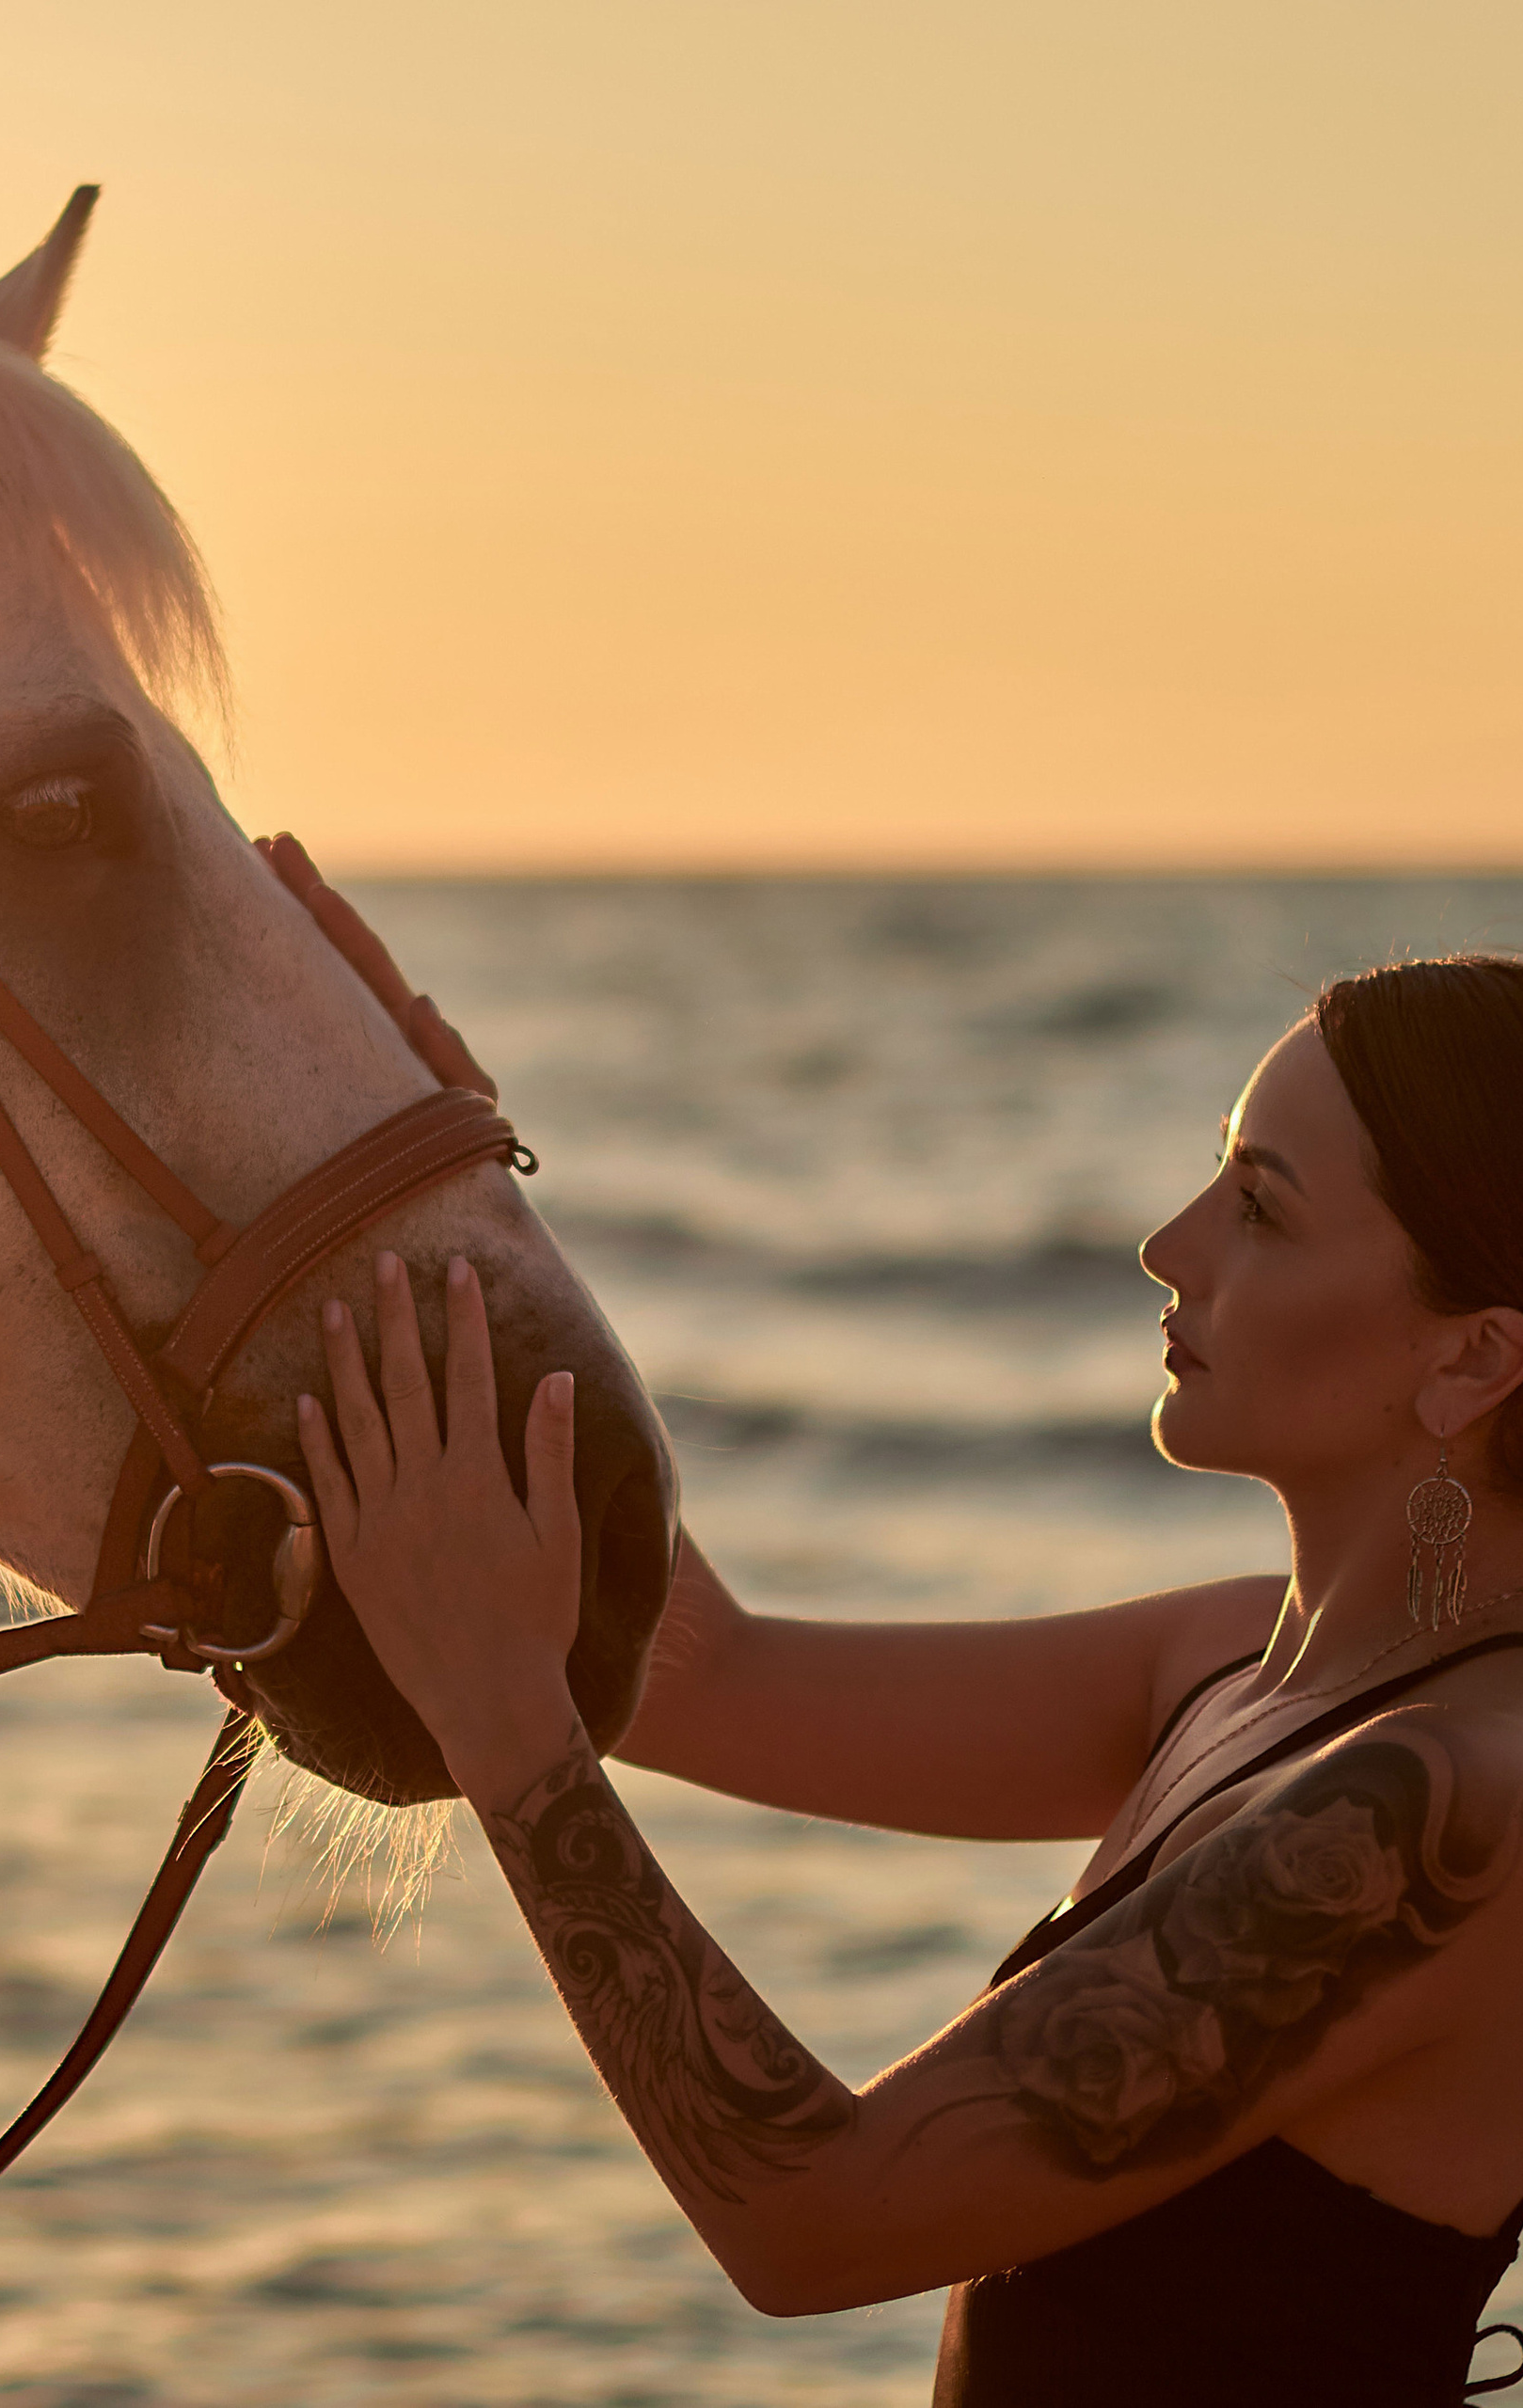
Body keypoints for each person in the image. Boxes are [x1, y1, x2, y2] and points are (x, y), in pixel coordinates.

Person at [295, 955, 1523, 2408]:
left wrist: (501, 1724)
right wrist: (439, 1199)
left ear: (1474, 1358)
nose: (1166, 1244)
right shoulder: (1234, 1662)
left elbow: (816, 2217)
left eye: (1259, 1206)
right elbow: (707, 1676)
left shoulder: (1452, 1804)